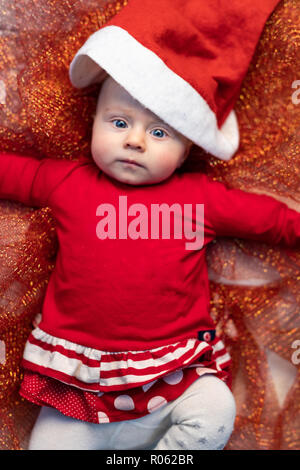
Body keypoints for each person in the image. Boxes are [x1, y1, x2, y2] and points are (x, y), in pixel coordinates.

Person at [0, 0, 291, 450]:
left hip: (174, 377)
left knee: (217, 411)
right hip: (80, 384)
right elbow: (12, 173)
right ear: (94, 122)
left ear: (186, 144)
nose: (134, 140)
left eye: (159, 133)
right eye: (119, 122)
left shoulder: (200, 197)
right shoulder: (68, 181)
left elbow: (270, 220)